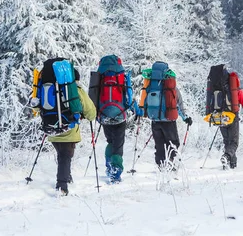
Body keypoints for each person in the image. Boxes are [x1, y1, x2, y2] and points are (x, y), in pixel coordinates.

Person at [89, 55, 139, 183]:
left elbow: (93, 95)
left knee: (110, 141)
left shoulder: (99, 77)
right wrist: (136, 110)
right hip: (120, 115)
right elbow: (129, 95)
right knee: (118, 145)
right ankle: (115, 173)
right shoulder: (122, 76)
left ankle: (108, 164)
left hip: (104, 114)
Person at [46, 67, 96, 196]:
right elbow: (90, 111)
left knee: (63, 155)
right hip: (69, 129)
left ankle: (67, 177)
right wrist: (88, 116)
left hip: (51, 127)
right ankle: (62, 186)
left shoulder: (49, 87)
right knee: (65, 156)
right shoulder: (75, 91)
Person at [137, 61, 192, 169]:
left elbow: (144, 102)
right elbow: (178, 105)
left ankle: (160, 165)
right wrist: (185, 118)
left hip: (155, 120)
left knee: (159, 144)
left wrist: (142, 113)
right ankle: (170, 161)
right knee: (173, 143)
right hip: (169, 121)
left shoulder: (149, 87)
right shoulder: (171, 88)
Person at [205, 64, 243, 169]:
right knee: (234, 142)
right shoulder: (233, 86)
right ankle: (226, 157)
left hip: (218, 116)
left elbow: (208, 100)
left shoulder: (214, 86)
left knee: (227, 141)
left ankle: (231, 165)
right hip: (232, 116)